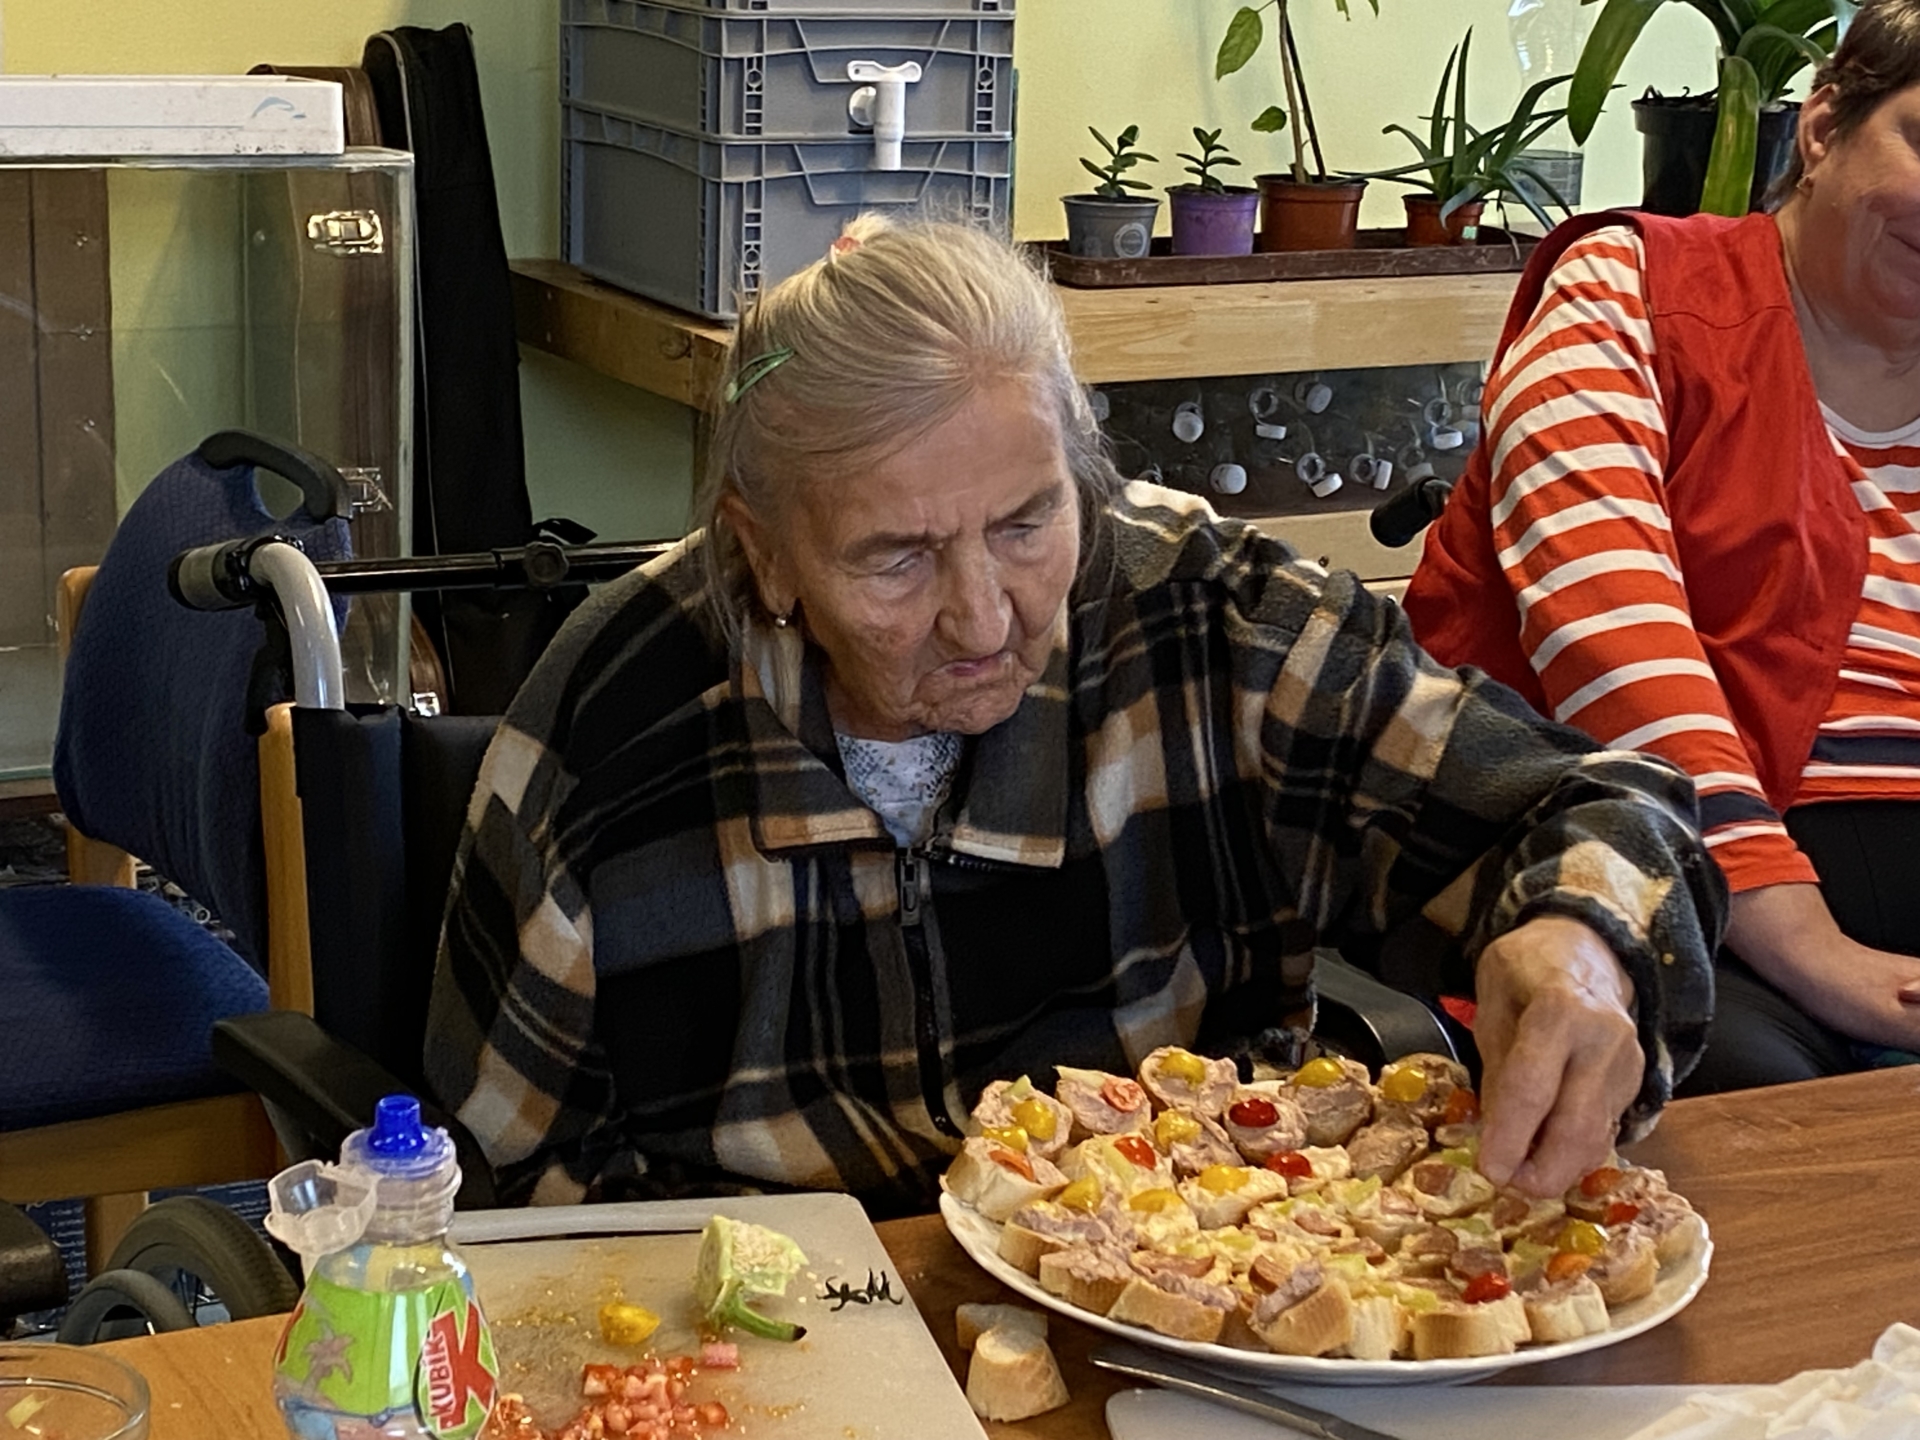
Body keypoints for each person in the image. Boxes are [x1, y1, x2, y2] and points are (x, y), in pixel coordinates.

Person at [424, 214, 1721, 1216]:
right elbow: (495, 1185)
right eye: (897, 559)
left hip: (1193, 1288)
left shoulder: (1209, 618)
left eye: (1028, 519)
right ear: (762, 553)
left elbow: (1599, 807)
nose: (984, 618)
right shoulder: (615, 721)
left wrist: (1582, 945)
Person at [1403, 0, 1920, 1092]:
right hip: (1638, 869)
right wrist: (1817, 953)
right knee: (1752, 1116)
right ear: (1824, 127)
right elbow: (1614, 644)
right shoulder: (1629, 288)